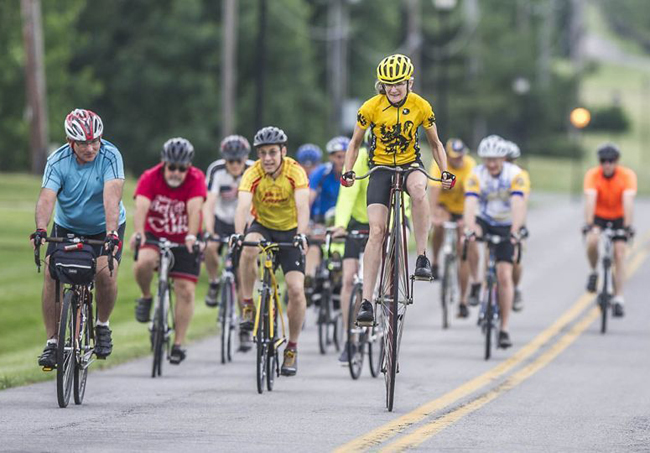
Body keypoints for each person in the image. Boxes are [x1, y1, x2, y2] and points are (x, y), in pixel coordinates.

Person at [340, 54, 454, 327]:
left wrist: (445, 170)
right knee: (377, 231)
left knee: (417, 189)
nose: (392, 89)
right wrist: (347, 169)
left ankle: (423, 257)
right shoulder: (370, 108)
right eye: (387, 84)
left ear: (409, 83)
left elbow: (436, 143)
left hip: (410, 163)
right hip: (379, 167)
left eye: (398, 84)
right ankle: (367, 301)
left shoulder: (421, 106)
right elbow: (354, 144)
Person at [30, 109, 126, 369]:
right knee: (51, 273)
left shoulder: (110, 155)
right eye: (83, 143)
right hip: (68, 224)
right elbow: (47, 197)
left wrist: (111, 233)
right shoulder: (57, 160)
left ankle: (102, 325)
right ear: (70, 142)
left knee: (106, 271)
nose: (90, 148)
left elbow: (111, 197)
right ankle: (52, 342)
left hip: (103, 225)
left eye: (95, 141)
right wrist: (41, 229)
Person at [234, 126, 310, 376]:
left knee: (297, 290)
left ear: (283, 152)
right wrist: (238, 233)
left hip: (290, 231)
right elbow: (243, 205)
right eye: (263, 153)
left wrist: (301, 234)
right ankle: (247, 303)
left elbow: (302, 205)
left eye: (273, 152)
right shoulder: (252, 172)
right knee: (247, 247)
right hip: (263, 226)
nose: (267, 158)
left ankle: (292, 348)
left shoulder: (295, 171)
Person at [131, 138, 206, 364]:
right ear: (163, 163)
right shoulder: (149, 177)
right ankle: (146, 296)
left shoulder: (196, 178)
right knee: (144, 261)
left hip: (185, 238)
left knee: (185, 290)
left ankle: (179, 343)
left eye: (181, 168)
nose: (176, 172)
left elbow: (194, 209)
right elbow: (141, 207)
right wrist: (139, 234)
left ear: (189, 167)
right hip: (155, 234)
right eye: (171, 167)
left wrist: (192, 235)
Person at [463, 135, 528, 349]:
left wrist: (515, 231)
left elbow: (518, 203)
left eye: (496, 159)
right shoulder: (476, 175)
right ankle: (475, 281)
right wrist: (470, 228)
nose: (491, 164)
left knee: (504, 275)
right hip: (485, 218)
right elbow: (470, 203)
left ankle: (504, 329)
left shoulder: (516, 175)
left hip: (507, 222)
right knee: (471, 238)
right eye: (487, 159)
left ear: (504, 159)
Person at [583, 143, 636, 317]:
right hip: (599, 217)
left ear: (617, 162)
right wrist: (590, 224)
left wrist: (627, 227)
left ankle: (619, 297)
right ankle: (593, 272)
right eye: (603, 161)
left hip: (619, 217)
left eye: (611, 161)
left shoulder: (626, 175)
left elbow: (628, 201)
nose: (607, 164)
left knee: (619, 253)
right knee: (592, 241)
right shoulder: (592, 175)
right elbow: (590, 200)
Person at [428, 138, 477, 318]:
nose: (458, 161)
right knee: (439, 226)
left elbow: (472, 193)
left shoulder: (470, 165)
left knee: (463, 248)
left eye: (460, 157)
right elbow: (434, 190)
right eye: (454, 158)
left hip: (463, 208)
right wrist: (433, 214)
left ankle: (463, 300)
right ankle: (435, 261)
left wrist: (467, 219)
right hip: (445, 207)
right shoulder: (440, 164)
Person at [203, 135, 254, 308]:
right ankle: (214, 281)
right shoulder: (216, 170)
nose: (234, 165)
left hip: (245, 221)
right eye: (230, 161)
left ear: (245, 158)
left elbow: (257, 204)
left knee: (242, 275)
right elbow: (209, 203)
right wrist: (209, 231)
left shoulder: (253, 169)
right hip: (221, 218)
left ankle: (244, 324)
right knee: (209, 246)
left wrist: (251, 229)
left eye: (238, 161)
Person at [304, 136, 349, 291]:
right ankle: (309, 278)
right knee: (314, 245)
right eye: (338, 156)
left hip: (344, 221)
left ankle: (340, 273)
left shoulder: (356, 174)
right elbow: (309, 198)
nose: (342, 160)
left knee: (343, 247)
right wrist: (305, 223)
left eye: (345, 156)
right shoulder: (321, 173)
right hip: (321, 220)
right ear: (331, 157)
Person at [504, 140, 531, 312]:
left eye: (510, 160)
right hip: (493, 220)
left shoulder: (520, 176)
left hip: (514, 219)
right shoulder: (488, 174)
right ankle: (486, 291)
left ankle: (517, 288)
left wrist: (519, 226)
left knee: (515, 256)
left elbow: (522, 201)